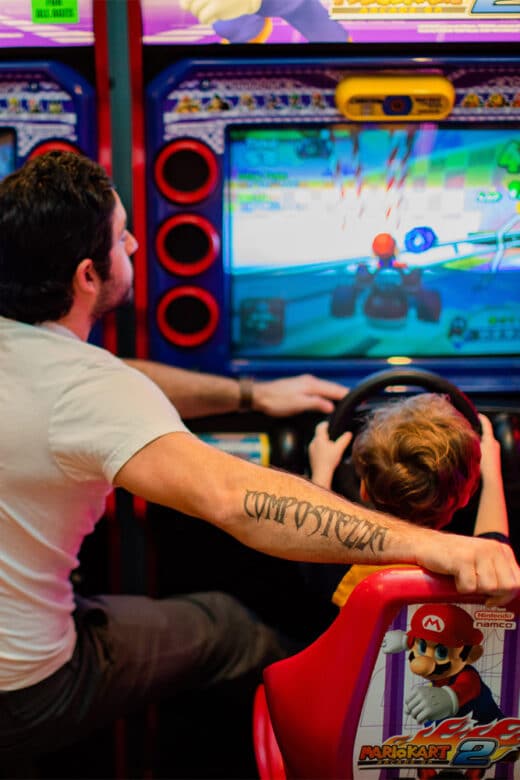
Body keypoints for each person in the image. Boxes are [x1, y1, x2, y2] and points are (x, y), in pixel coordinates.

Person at [0, 152, 518, 766]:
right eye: (121, 237)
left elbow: (118, 375)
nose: (137, 243)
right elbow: (233, 500)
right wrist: (445, 546)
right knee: (230, 628)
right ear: (89, 276)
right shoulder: (85, 391)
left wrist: (253, 395)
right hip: (22, 691)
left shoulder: (49, 360)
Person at [308, 393, 511, 607]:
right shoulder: (477, 572)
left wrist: (321, 472)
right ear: (465, 497)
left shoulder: (347, 575)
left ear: (364, 489)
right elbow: (494, 544)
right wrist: (491, 474)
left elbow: (312, 531)